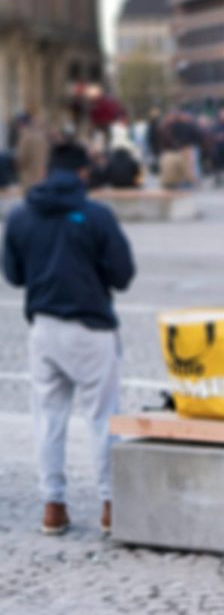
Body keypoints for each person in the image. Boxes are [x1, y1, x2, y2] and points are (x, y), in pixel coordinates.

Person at [2, 142, 136, 535]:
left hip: (43, 326)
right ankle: (110, 504)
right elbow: (123, 274)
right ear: (82, 173)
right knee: (103, 416)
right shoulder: (96, 215)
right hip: (90, 327)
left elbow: (12, 274)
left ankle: (53, 505)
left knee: (47, 418)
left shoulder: (21, 215)